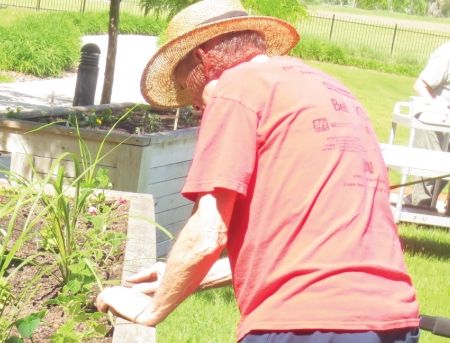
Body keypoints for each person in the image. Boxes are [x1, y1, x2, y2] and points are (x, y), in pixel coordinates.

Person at [94, 0, 422, 342]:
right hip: (393, 320)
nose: (194, 106)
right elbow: (303, 244)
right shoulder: (331, 91)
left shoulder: (236, 88)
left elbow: (208, 233)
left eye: (186, 88)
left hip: (304, 325)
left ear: (203, 61)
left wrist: (151, 309)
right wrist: (180, 276)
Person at [406, 40, 450, 209]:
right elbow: (420, 85)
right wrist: (437, 106)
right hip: (434, 122)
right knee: (429, 176)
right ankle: (418, 211)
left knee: (443, 173)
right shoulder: (446, 53)